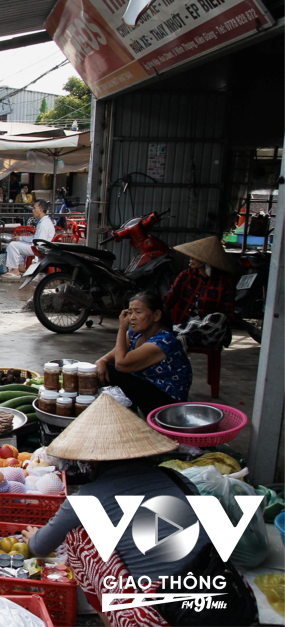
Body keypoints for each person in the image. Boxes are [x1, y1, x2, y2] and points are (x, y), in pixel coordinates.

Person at [18, 393, 244, 627]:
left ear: (92, 460)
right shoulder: (176, 479)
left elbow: (40, 547)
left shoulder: (87, 498)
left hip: (162, 616)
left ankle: (113, 620)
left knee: (78, 537)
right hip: (226, 599)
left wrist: (34, 537)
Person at [94, 291, 192, 417]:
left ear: (156, 315)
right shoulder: (136, 333)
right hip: (147, 389)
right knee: (101, 369)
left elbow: (120, 364)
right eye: (130, 313)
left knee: (113, 371)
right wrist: (101, 361)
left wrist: (122, 328)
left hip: (167, 403)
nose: (132, 318)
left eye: (138, 312)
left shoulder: (163, 342)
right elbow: (113, 355)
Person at [163, 236, 238, 348]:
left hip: (210, 333)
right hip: (186, 331)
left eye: (195, 257)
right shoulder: (186, 276)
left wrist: (203, 324)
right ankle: (182, 332)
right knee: (180, 340)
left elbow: (227, 317)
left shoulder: (224, 282)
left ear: (206, 260)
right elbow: (169, 299)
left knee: (219, 318)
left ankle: (178, 330)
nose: (191, 259)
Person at [4, 199, 54, 277]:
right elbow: (36, 238)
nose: (33, 210)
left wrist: (35, 261)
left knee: (12, 245)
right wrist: (20, 238)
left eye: (34, 208)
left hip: (41, 249)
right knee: (17, 243)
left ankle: (15, 270)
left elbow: (40, 243)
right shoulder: (43, 221)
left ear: (41, 210)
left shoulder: (44, 224)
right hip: (39, 246)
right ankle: (21, 267)